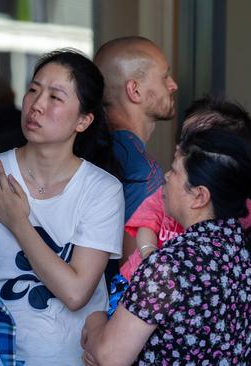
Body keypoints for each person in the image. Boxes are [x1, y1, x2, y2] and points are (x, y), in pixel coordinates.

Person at [0, 49, 124, 365]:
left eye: (55, 97)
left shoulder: (102, 190)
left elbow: (76, 293)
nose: (37, 104)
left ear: (83, 120)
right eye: (33, 90)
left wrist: (18, 223)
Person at [82, 129, 251, 365]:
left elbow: (109, 355)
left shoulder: (171, 265)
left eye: (175, 170)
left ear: (199, 196)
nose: (166, 176)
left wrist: (95, 321)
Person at [119, 96, 251, 280]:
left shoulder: (243, 212)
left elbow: (250, 257)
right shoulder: (167, 193)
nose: (183, 147)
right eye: (184, 139)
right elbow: (146, 225)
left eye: (198, 140)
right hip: (135, 281)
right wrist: (151, 257)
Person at [93, 36, 177, 281]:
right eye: (164, 77)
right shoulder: (142, 171)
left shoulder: (82, 148)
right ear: (135, 90)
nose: (173, 85)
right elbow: (134, 275)